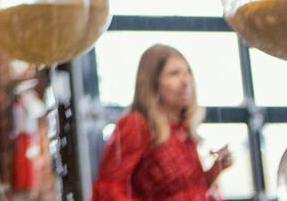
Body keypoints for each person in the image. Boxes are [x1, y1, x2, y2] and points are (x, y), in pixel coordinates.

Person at [91, 44, 235, 201]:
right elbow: (107, 189)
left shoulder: (181, 129)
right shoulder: (137, 125)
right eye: (174, 74)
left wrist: (214, 171)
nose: (186, 81)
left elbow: (184, 191)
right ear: (152, 83)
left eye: (188, 72)